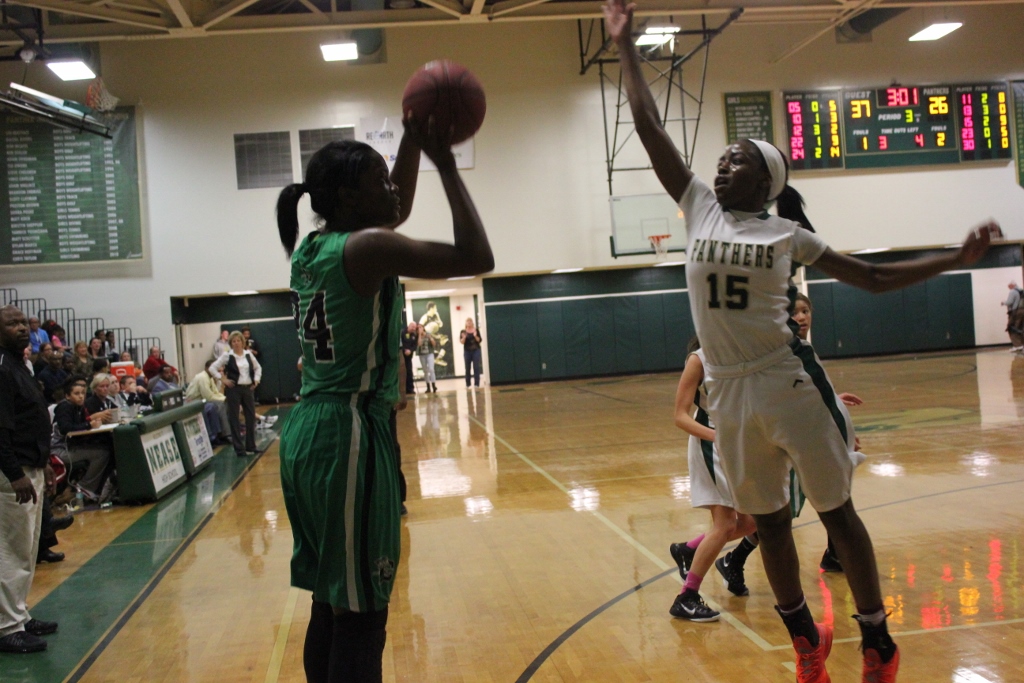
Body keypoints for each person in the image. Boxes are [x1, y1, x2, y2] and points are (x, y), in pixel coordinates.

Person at [604, 1, 1001, 678]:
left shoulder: (788, 235)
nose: (721, 166)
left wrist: (953, 259)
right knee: (768, 523)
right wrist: (624, 46)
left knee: (837, 513)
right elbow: (647, 126)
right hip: (728, 392)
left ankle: (877, 642)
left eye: (735, 161)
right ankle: (804, 642)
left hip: (786, 379)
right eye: (721, 159)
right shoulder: (698, 206)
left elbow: (872, 277)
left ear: (766, 182)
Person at [274, 111, 491, 683]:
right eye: (379, 180)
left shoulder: (315, 245)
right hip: (346, 432)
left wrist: (412, 140)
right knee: (363, 614)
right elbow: (477, 257)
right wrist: (446, 165)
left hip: (309, 430)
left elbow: (392, 212)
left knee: (331, 599)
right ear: (349, 197)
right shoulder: (367, 247)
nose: (392, 188)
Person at [667, 336, 757, 622]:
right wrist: (717, 437)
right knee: (725, 524)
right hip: (712, 445)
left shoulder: (744, 351)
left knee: (752, 522)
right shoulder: (699, 359)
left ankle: (689, 549)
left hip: (738, 444)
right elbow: (680, 416)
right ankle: (686, 597)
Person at [0, 305, 59, 653]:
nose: (22, 328)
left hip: (31, 465)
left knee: (28, 548)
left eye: (23, 322)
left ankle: (19, 615)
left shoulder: (18, 364)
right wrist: (14, 473)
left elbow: (31, 418)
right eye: (12, 324)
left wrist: (44, 462)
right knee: (10, 550)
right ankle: (7, 627)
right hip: (13, 473)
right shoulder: (2, 368)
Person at [52, 376, 114, 501]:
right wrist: (89, 425)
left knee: (104, 448)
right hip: (59, 450)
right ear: (67, 396)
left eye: (83, 393)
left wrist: (91, 423)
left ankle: (93, 488)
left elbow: (80, 425)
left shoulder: (78, 407)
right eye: (77, 394)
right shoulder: (65, 407)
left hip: (71, 446)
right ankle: (85, 488)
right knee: (102, 453)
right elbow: (66, 429)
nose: (81, 396)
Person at [209, 331, 262, 457]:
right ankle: (239, 448)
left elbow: (258, 368)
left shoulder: (248, 354)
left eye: (238, 341)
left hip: (248, 388)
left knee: (250, 417)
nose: (236, 343)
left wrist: (256, 380)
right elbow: (212, 368)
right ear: (231, 343)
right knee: (234, 418)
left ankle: (251, 446)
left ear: (242, 342)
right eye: (234, 341)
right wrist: (222, 379)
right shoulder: (227, 356)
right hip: (233, 389)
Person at [185, 360, 230, 444]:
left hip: (203, 400)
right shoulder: (202, 377)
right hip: (194, 402)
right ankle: (225, 434)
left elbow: (215, 393)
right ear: (208, 368)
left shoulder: (210, 377)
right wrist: (224, 399)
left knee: (226, 403)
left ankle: (225, 432)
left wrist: (226, 398)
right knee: (219, 405)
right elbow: (208, 396)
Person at [460, 318, 483, 387]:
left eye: (470, 321)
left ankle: (476, 383)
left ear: (473, 323)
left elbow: (479, 340)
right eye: (468, 321)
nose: (469, 322)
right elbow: (462, 342)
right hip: (467, 351)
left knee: (476, 367)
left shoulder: (476, 330)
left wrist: (475, 336)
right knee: (467, 367)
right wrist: (464, 337)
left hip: (476, 350)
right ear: (466, 323)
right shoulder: (463, 331)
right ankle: (468, 384)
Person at [1002, 281, 1023, 353]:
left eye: (1009, 286)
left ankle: (1017, 345)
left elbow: (1010, 302)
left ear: (1012, 285)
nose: (1008, 288)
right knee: (1020, 328)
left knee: (1011, 327)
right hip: (1022, 311)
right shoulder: (1021, 291)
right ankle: (1021, 344)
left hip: (1015, 312)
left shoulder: (1013, 292)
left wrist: (1003, 302)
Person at [416, 323, 438, 393]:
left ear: (423, 328)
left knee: (431, 369)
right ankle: (428, 386)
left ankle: (434, 385)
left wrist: (430, 338)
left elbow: (434, 344)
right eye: (418, 328)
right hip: (422, 355)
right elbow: (419, 344)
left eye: (421, 327)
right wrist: (420, 335)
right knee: (425, 371)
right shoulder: (417, 336)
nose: (420, 329)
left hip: (429, 354)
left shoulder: (428, 334)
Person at [401, 321, 418, 395]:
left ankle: (410, 389)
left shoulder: (414, 335)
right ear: (409, 326)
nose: (414, 329)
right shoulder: (402, 333)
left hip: (409, 357)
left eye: (415, 328)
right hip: (402, 356)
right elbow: (400, 343)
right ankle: (402, 389)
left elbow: (415, 346)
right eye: (413, 327)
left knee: (409, 372)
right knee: (402, 372)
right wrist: (404, 350)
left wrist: (410, 350)